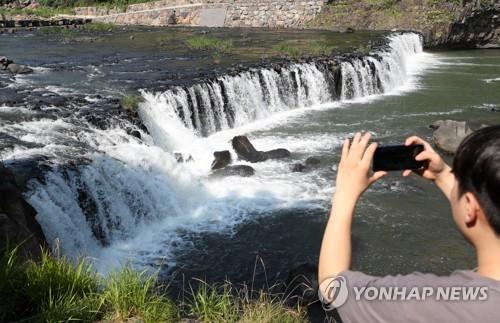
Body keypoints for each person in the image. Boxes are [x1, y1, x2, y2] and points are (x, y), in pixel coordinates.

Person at [318, 126, 500, 322]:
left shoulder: (443, 304)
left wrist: (345, 193)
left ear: (470, 208)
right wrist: (442, 175)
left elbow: (332, 287)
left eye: (458, 182)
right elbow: (485, 229)